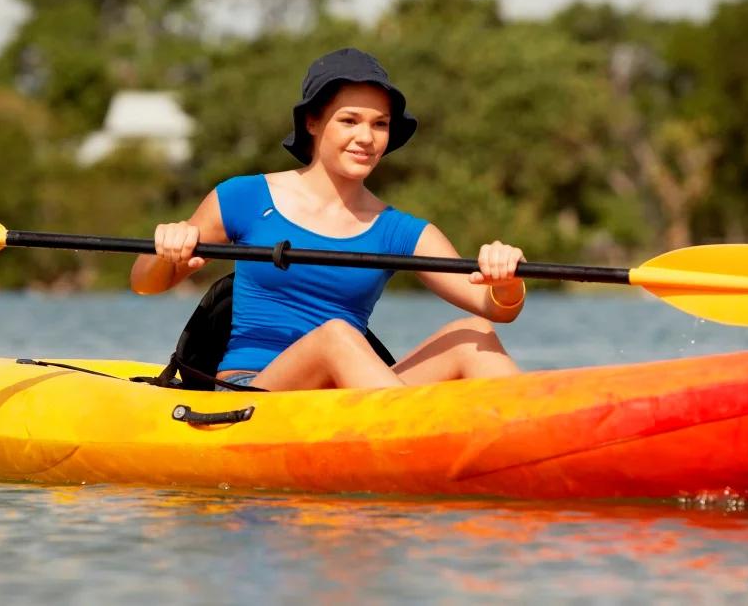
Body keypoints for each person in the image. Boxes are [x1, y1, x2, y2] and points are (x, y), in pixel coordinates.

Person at [131, 48, 526, 392]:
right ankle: (404, 436)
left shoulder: (398, 230)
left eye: (380, 124)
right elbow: (146, 284)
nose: (366, 138)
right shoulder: (246, 197)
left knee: (473, 334)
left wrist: (506, 281)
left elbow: (493, 307)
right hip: (255, 389)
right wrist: (167, 250)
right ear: (313, 123)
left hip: (348, 393)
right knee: (337, 335)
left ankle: (540, 441)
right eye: (349, 120)